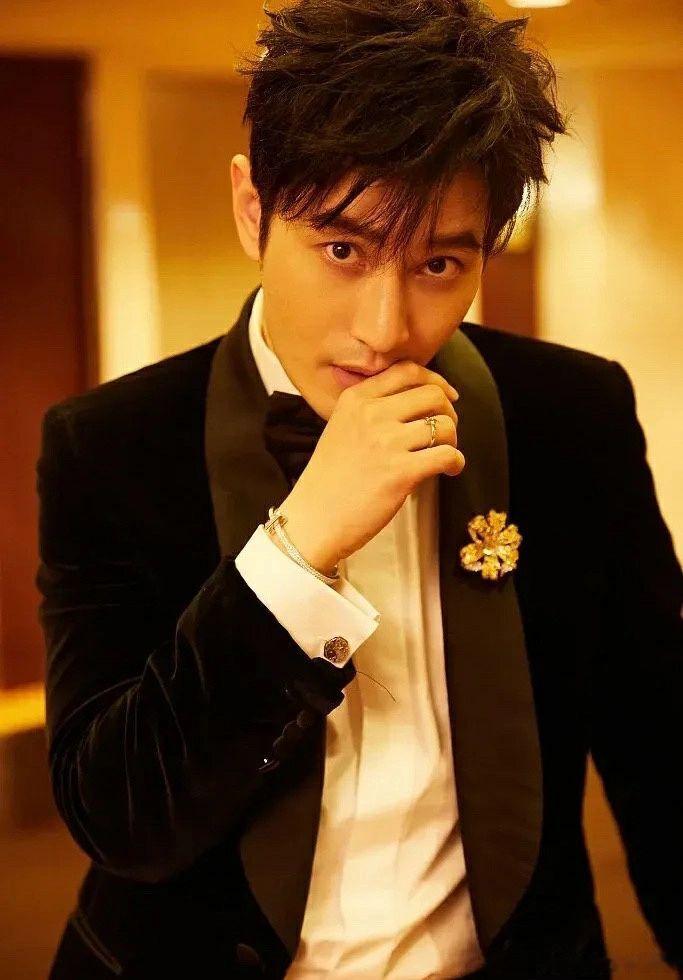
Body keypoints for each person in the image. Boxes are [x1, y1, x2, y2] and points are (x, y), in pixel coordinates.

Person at [36, 1, 683, 978]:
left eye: (438, 263)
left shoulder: (571, 416)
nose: (384, 328)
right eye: (342, 249)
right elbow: (122, 819)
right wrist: (293, 553)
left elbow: (659, 753)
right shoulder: (110, 444)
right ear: (252, 209)